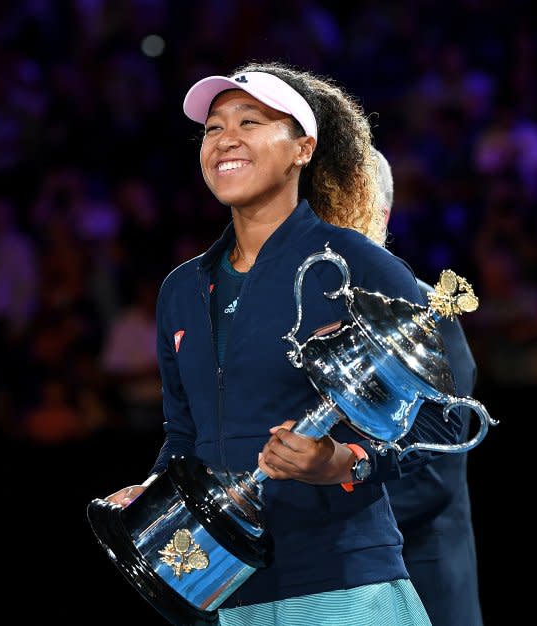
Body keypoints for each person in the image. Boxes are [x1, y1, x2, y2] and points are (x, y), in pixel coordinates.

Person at [104, 61, 462, 625]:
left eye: (250, 121)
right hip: (231, 594)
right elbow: (184, 434)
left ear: (303, 148)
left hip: (345, 586)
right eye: (214, 127)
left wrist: (345, 462)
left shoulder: (357, 263)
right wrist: (153, 493)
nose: (226, 139)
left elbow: (445, 424)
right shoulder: (181, 290)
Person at [375, 147, 484, 626]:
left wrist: (322, 513)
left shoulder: (423, 308)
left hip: (423, 582)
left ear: (378, 212)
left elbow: (434, 473)